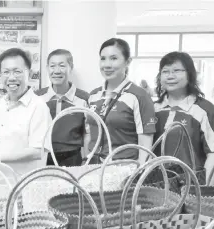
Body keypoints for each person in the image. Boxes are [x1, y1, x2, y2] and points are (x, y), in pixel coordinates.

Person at [88, 38, 156, 164]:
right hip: (93, 166)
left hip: (124, 168)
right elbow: (89, 134)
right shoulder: (94, 95)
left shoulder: (139, 96)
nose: (107, 65)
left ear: (128, 61)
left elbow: (145, 146)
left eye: (114, 58)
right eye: (103, 58)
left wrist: (139, 174)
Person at [154, 51, 214, 185]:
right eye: (165, 71)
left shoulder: (204, 110)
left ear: (190, 74)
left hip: (190, 185)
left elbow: (212, 153)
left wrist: (203, 187)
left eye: (176, 70)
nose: (170, 76)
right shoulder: (154, 109)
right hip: (155, 184)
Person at [0, 48, 52, 177]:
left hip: (25, 183)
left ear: (29, 74)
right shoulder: (1, 103)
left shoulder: (38, 106)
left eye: (17, 72)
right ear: (0, 75)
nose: (11, 78)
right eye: (6, 72)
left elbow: (38, 151)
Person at [36, 49, 90, 166]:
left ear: (71, 67)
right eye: (52, 66)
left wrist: (86, 159)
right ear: (47, 68)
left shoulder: (84, 98)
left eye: (62, 66)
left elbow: (87, 133)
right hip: (43, 157)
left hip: (73, 158)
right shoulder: (37, 97)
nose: (56, 71)